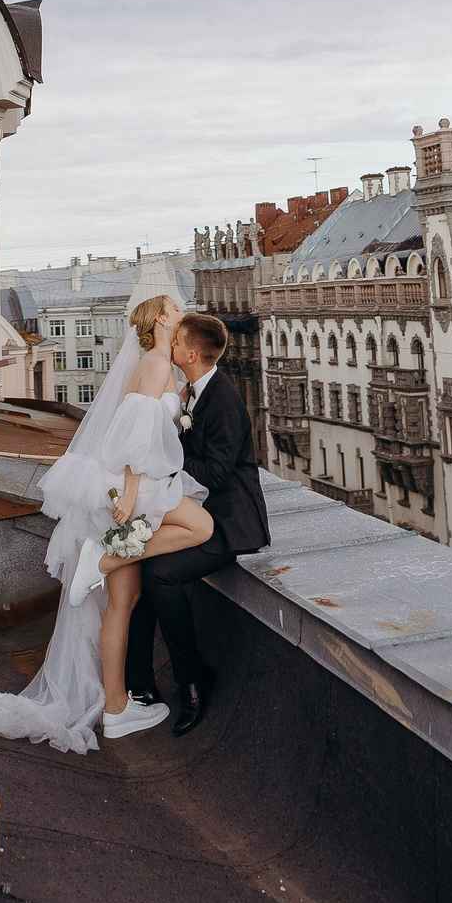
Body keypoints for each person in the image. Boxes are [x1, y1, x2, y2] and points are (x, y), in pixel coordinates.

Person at [0, 297, 231, 748]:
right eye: (174, 305)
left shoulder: (155, 363)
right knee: (201, 527)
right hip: (138, 487)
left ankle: (115, 708)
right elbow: (134, 438)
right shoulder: (157, 363)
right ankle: (103, 561)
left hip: (127, 486)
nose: (181, 307)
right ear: (163, 319)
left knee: (121, 605)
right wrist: (130, 496)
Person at [121, 306, 269, 736]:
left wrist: (164, 464)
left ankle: (191, 679)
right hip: (200, 510)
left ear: (189, 355)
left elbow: (219, 474)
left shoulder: (222, 400)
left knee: (160, 577)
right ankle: (140, 685)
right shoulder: (195, 389)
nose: (170, 344)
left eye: (176, 340)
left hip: (229, 521)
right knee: (142, 572)